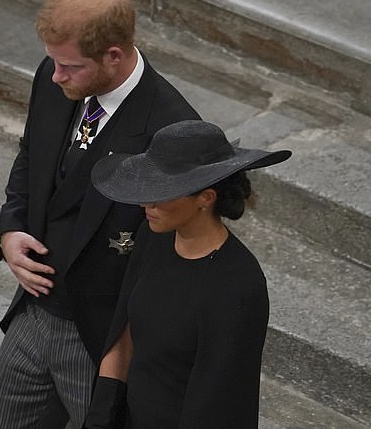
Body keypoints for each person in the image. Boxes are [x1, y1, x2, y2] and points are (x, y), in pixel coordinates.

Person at [0, 0, 199, 429]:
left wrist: (122, 355)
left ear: (114, 56)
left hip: (99, 339)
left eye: (70, 67)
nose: (56, 75)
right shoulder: (55, 78)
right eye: (54, 63)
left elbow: (169, 258)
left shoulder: (170, 130)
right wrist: (11, 226)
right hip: (32, 312)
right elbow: (32, 154)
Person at [84, 120, 292, 428]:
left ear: (205, 198)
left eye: (162, 192)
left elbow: (221, 400)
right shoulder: (155, 237)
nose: (146, 203)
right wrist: (100, 420)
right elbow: (123, 335)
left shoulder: (238, 285)